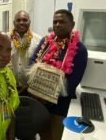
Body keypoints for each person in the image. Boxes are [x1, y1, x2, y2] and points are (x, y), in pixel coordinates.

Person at [29, 9, 88, 140]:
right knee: (41, 135)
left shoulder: (80, 50)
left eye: (61, 22)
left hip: (59, 107)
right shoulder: (45, 42)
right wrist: (39, 93)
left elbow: (72, 83)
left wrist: (48, 94)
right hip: (38, 101)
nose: (57, 25)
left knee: (55, 136)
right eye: (55, 22)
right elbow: (32, 62)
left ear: (72, 25)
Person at [9, 10, 41, 94]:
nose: (21, 22)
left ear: (29, 22)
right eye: (18, 20)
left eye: (24, 20)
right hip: (10, 87)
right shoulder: (6, 39)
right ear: (13, 22)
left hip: (30, 89)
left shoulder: (38, 40)